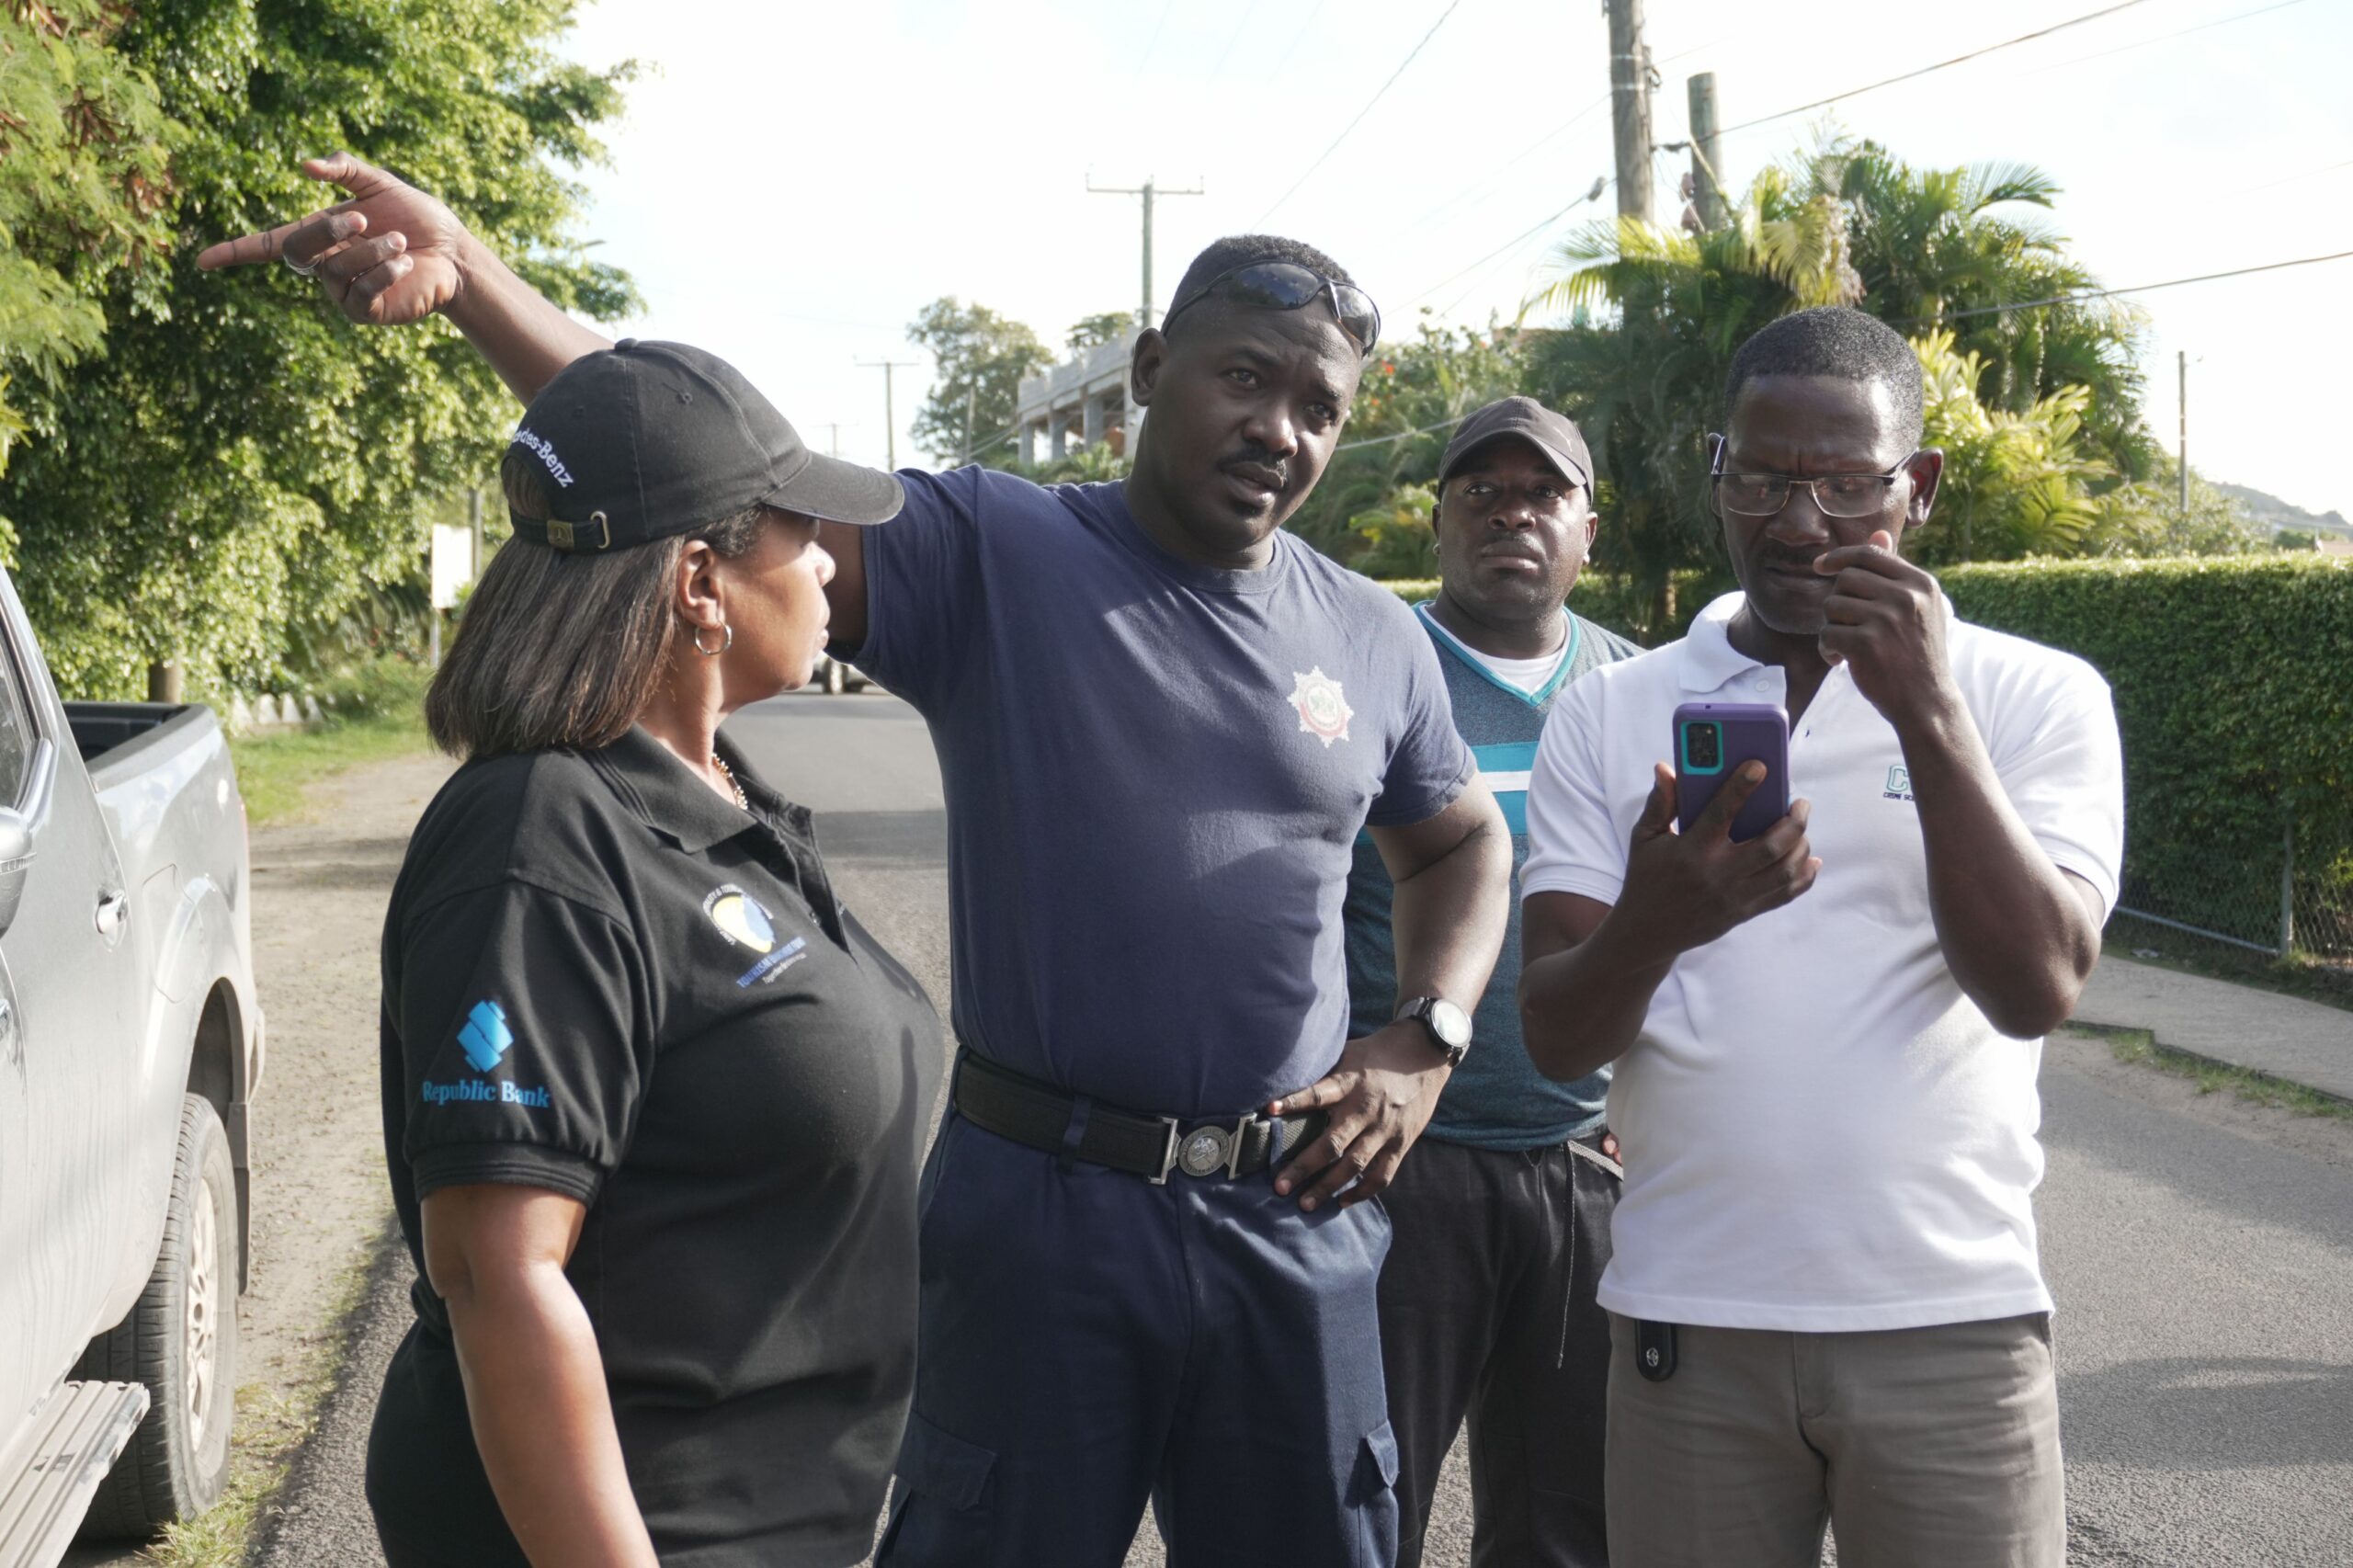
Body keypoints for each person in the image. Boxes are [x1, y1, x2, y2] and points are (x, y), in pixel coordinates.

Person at [202, 157, 1513, 1566]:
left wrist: (1426, 1033)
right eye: (1246, 379)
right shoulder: (1005, 549)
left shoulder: (1376, 636)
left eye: (1321, 406)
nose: (1281, 429)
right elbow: (696, 465)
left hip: (1288, 1217)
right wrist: (475, 288)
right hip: (1043, 1210)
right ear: (1147, 369)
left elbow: (1461, 840)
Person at [1517, 305, 2124, 1568]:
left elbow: (2038, 985)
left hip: (1954, 1320)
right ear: (1716, 470)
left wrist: (1929, 710)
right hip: (1690, 1318)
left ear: (1921, 486)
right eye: (1768, 478)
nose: (1802, 525)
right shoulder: (1610, 711)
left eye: (1849, 486)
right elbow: (1558, 1033)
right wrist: (1659, 919)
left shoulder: (2036, 694)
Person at [363, 341, 941, 1566]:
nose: (832, 559)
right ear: (699, 582)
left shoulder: (714, 801)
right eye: (799, 528)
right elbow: (499, 1276)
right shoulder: (541, 837)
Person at [1340, 396, 1637, 1568]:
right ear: (1438, 522)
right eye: (1481, 489)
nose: (1512, 511)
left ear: (1587, 531)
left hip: (1584, 1166)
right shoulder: (1371, 669)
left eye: (1543, 492)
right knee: (1365, 1501)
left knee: (1568, 1520)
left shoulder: (1637, 688)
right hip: (1393, 1162)